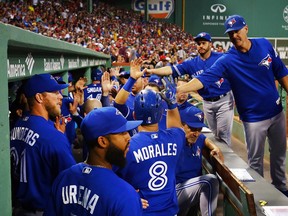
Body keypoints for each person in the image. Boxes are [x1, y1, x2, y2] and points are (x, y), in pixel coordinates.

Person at [175, 15, 288, 195]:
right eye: (230, 33)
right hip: (253, 119)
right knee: (255, 163)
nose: (234, 35)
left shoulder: (264, 44)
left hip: (276, 113)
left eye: (237, 31)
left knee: (279, 157)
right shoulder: (227, 60)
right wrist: (181, 89)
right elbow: (204, 79)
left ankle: (281, 190)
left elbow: (281, 72)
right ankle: (258, 198)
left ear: (246, 29)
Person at [114, 59, 186, 215]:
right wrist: (172, 104)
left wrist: (131, 79)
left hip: (140, 210)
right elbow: (177, 127)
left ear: (134, 114)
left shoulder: (127, 146)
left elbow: (110, 180)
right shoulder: (175, 139)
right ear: (161, 115)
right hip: (169, 211)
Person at [44, 107, 143, 216]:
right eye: (122, 132)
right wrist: (129, 202)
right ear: (102, 141)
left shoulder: (63, 178)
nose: (129, 137)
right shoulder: (125, 195)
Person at [146, 32, 234, 146]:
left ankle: (224, 161)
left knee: (223, 134)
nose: (200, 46)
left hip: (224, 100)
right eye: (198, 43)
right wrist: (152, 71)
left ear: (210, 44)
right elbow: (171, 70)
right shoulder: (191, 63)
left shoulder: (221, 58)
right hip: (207, 101)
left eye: (203, 43)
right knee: (214, 134)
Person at [10, 73, 76, 215]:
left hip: (18, 208)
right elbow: (72, 181)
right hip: (43, 210)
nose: (60, 96)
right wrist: (61, 138)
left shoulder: (18, 124)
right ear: (39, 97)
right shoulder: (52, 136)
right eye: (55, 92)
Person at [176, 106, 224, 216]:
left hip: (192, 190)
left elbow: (204, 139)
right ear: (182, 125)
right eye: (192, 128)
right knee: (209, 181)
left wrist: (214, 147)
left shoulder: (198, 138)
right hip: (175, 191)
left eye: (199, 129)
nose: (196, 133)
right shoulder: (174, 141)